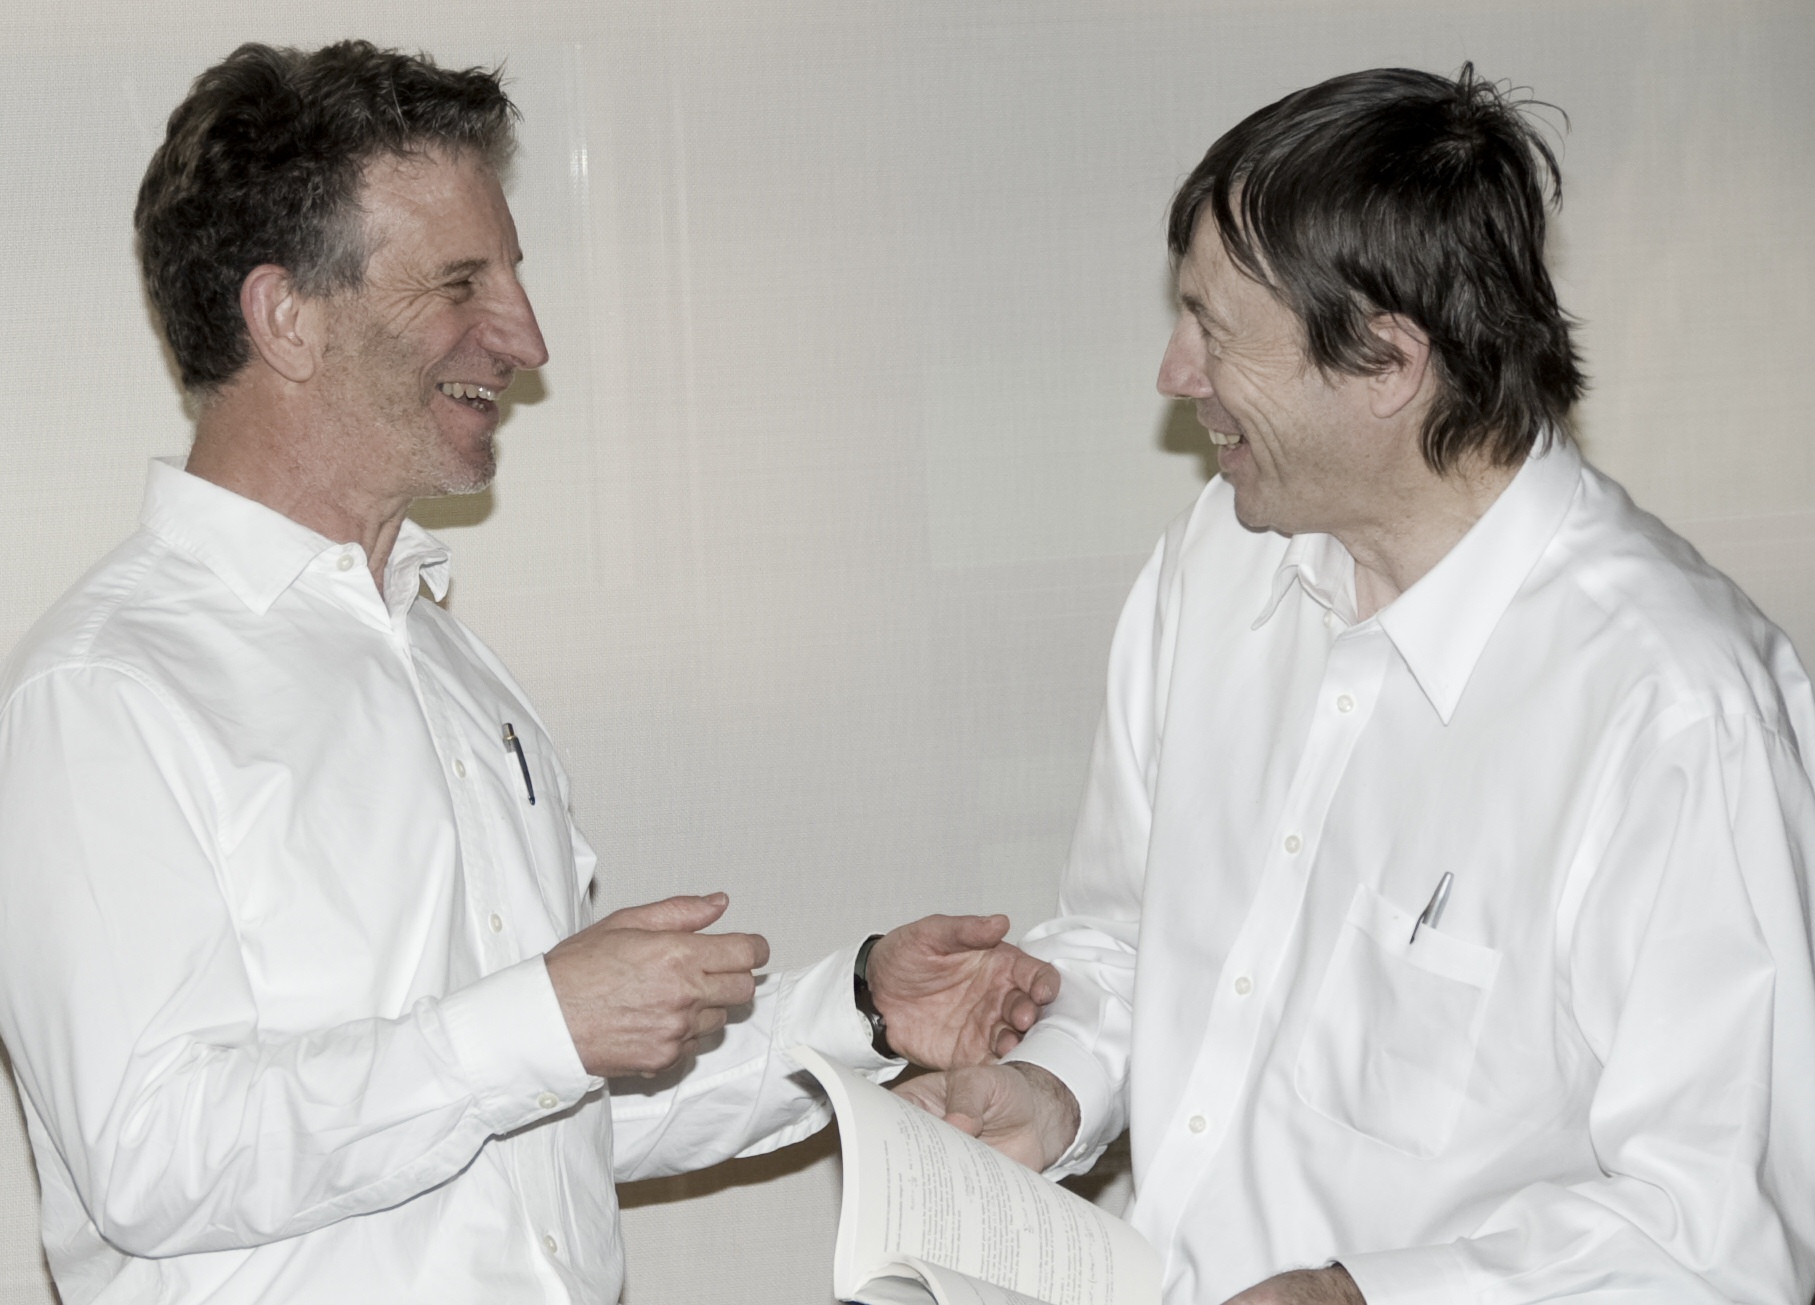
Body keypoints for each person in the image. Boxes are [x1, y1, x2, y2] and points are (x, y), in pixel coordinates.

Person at [0, 41, 1057, 1305]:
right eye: (463, 282)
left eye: (513, 276)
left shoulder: (447, 661)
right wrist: (542, 1023)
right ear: (286, 318)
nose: (526, 338)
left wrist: (861, 1012)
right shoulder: (101, 693)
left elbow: (541, 1117)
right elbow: (151, 1158)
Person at [898, 65, 1815, 1305]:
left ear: (1386, 360)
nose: (1174, 372)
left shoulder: (1677, 712)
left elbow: (1720, 1239)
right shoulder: (1214, 563)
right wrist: (1052, 1086)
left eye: (1214, 328)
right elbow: (1124, 937)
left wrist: (1363, 1295)